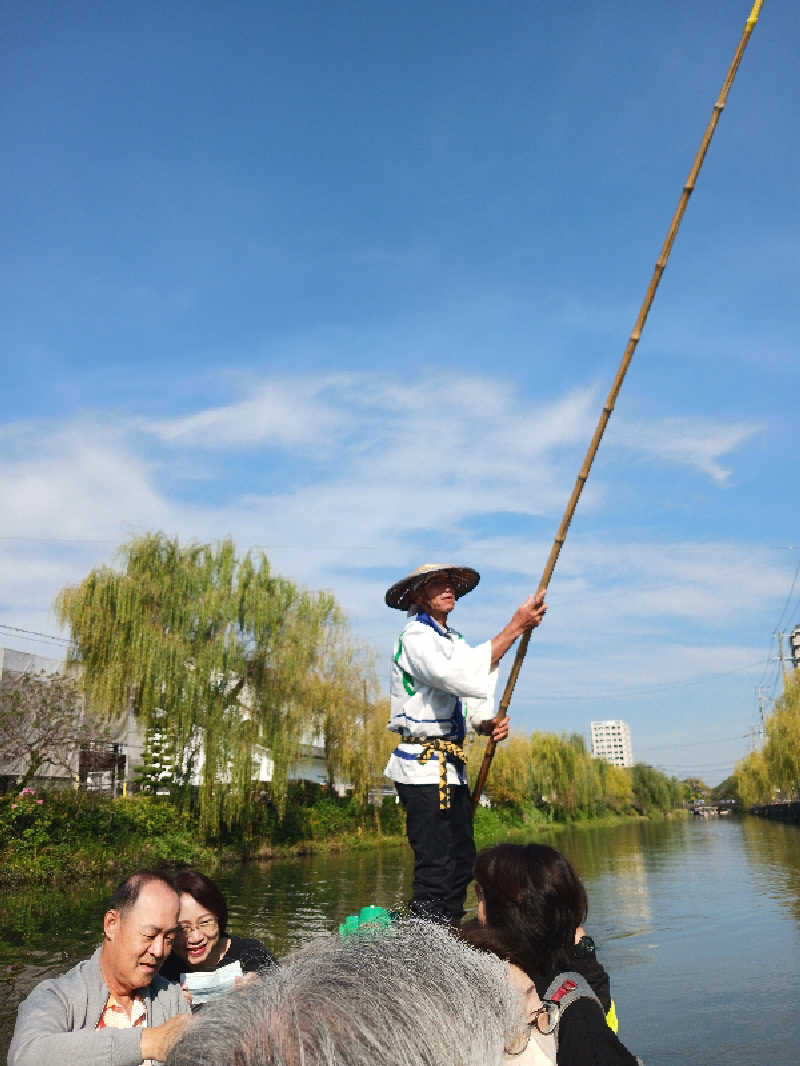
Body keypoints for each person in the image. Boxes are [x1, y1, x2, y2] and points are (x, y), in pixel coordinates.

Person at [384, 562, 547, 923]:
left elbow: (474, 687)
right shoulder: (415, 637)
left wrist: (484, 722)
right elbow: (458, 675)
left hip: (451, 769)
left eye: (450, 584)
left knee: (461, 865)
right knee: (436, 869)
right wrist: (515, 627)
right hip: (422, 768)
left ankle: (450, 940)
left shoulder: (453, 641)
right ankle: (426, 950)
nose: (448, 589)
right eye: (438, 584)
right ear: (418, 596)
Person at [166, 918, 531, 1066]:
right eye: (179, 931)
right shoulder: (165, 985)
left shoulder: (250, 952)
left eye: (204, 923)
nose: (194, 937)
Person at [470, 843, 640, 1066]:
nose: (477, 908)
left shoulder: (568, 1009)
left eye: (481, 895)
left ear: (507, 912)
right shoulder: (578, 989)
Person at [8, 870, 190, 1066]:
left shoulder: (171, 998)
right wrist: (146, 1043)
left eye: (169, 939)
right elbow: (24, 1056)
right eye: (149, 935)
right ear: (111, 924)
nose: (159, 950)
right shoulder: (56, 997)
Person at [159, 870, 277, 995]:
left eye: (204, 922)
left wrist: (262, 990)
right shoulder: (162, 967)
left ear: (219, 918)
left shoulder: (253, 955)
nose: (195, 938)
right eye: (182, 928)